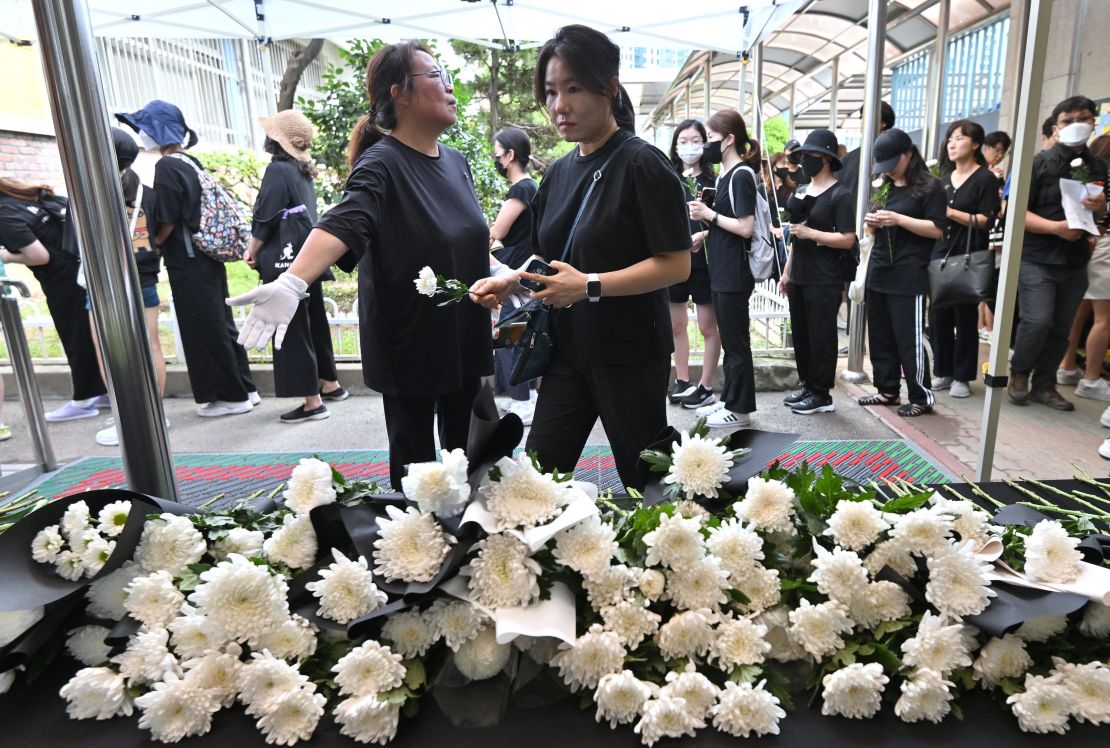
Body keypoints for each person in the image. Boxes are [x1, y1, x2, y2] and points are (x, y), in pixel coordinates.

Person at [231, 42, 493, 490]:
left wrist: (505, 272)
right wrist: (293, 283)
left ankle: (471, 538)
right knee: (419, 473)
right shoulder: (382, 164)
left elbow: (462, 237)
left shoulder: (455, 161)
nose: (449, 86)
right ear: (401, 94)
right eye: (435, 74)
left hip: (463, 332)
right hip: (411, 339)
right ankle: (419, 549)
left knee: (469, 457)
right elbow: (345, 221)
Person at [470, 24, 691, 489]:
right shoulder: (559, 172)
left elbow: (676, 263)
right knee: (536, 480)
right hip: (567, 350)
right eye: (550, 92)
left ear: (609, 88)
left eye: (573, 88)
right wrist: (512, 279)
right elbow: (548, 259)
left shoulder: (643, 164)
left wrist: (590, 285)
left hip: (630, 353)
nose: (559, 105)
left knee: (648, 483)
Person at [116, 100, 258, 418]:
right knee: (221, 322)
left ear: (156, 131)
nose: (141, 135)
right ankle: (246, 389)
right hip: (206, 258)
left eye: (144, 129)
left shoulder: (166, 167)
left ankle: (231, 398)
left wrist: (154, 244)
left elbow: (167, 219)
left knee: (203, 327)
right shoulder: (189, 161)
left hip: (188, 260)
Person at [244, 110, 345, 424]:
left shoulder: (277, 171)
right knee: (313, 321)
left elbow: (266, 216)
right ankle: (331, 384)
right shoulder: (303, 170)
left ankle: (312, 402)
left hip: (284, 261)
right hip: (308, 258)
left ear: (275, 139)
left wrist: (252, 249)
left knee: (291, 326)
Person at [1009, 95, 1109, 410]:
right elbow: (1016, 212)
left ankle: (1045, 384)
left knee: (1062, 325)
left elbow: (1102, 217)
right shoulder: (1038, 163)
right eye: (1068, 120)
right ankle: (1020, 372)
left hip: (1076, 258)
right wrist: (1054, 228)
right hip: (1037, 257)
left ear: (1094, 122)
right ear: (1056, 127)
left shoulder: (1099, 166)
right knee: (1037, 320)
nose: (1077, 125)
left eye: (1085, 118)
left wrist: (1101, 207)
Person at [0, 178, 109, 421]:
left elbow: (39, 256)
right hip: (83, 271)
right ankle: (103, 391)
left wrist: (6, 256)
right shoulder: (29, 197)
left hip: (62, 279)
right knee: (90, 337)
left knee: (76, 338)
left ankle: (83, 401)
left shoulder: (3, 213)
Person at [88, 128, 170, 446]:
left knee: (107, 350)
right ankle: (156, 414)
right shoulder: (145, 191)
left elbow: (74, 245)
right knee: (152, 345)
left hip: (103, 282)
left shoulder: (91, 192)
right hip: (144, 276)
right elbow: (161, 231)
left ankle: (125, 419)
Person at [856, 128, 945, 417]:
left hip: (910, 272)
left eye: (893, 164)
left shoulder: (931, 187)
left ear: (909, 154)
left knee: (909, 337)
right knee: (880, 335)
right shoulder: (883, 187)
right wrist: (872, 222)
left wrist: (899, 219)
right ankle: (887, 389)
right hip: (880, 268)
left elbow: (936, 230)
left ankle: (921, 396)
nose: (889, 171)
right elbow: (871, 230)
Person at [687, 109, 762, 429]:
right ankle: (729, 399)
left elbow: (746, 227)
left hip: (734, 271)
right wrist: (705, 229)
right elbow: (730, 225)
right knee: (730, 339)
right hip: (721, 267)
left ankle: (741, 407)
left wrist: (710, 215)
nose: (706, 146)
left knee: (736, 341)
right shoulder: (726, 176)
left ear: (729, 139)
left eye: (711, 139)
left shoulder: (742, 175)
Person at [778, 129, 856, 415]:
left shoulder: (840, 195)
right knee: (801, 333)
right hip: (799, 274)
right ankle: (809, 385)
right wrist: (787, 271)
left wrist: (813, 233)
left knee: (822, 334)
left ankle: (821, 393)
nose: (804, 161)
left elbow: (848, 238)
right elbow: (795, 238)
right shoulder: (801, 192)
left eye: (809, 156)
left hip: (825, 277)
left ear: (825, 158)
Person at [929, 120, 1000, 399]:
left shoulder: (985, 178)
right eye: (950, 138)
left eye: (960, 138)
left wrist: (949, 212)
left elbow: (986, 219)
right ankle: (942, 370)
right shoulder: (943, 177)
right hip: (940, 251)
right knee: (938, 316)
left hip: (968, 255)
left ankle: (962, 376)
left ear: (975, 144)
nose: (952, 143)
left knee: (965, 316)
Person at [667, 118, 720, 410]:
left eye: (695, 140)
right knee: (677, 325)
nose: (689, 146)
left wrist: (705, 233)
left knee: (707, 326)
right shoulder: (669, 178)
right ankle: (683, 380)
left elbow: (727, 222)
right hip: (675, 261)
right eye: (683, 141)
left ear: (705, 143)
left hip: (705, 263)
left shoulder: (716, 181)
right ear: (675, 146)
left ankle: (706, 385)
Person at [488, 126, 540, 425]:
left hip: (515, 270)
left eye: (497, 152)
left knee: (510, 335)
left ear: (510, 155)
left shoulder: (521, 188)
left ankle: (523, 400)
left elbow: (498, 231)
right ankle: (525, 397)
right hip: (526, 267)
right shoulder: (532, 186)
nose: (496, 158)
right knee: (521, 333)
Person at [1060, 135, 1110, 402]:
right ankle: (1091, 378)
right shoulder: (1102, 182)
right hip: (1105, 247)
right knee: (1104, 319)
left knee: (1079, 313)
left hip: (1087, 245)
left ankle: (1066, 366)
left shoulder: (1089, 177)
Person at [839, 102, 896, 207]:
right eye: (862, 117)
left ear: (884, 123)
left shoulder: (896, 159)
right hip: (849, 220)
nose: (863, 121)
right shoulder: (846, 160)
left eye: (869, 116)